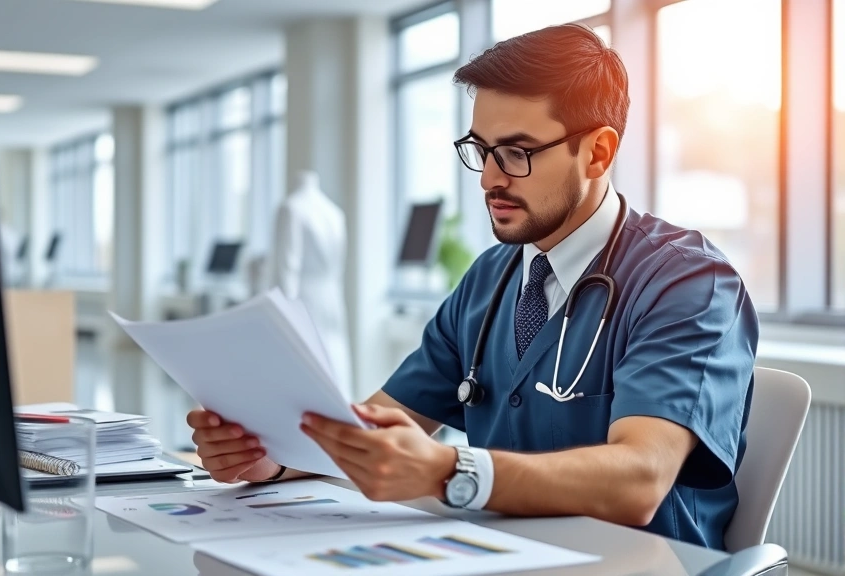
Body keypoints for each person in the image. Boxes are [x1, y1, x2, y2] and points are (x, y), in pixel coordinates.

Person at [186, 23, 758, 551]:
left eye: (516, 152)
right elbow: (384, 427)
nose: (488, 178)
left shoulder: (688, 282)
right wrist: (274, 459)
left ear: (598, 151)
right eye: (481, 150)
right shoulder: (492, 276)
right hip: (495, 554)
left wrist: (447, 470)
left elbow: (640, 480)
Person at [271, 170, 353, 398]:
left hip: (304, 297)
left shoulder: (291, 208)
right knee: (335, 365)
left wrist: (282, 310)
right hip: (332, 296)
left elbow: (287, 266)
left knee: (304, 365)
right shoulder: (335, 213)